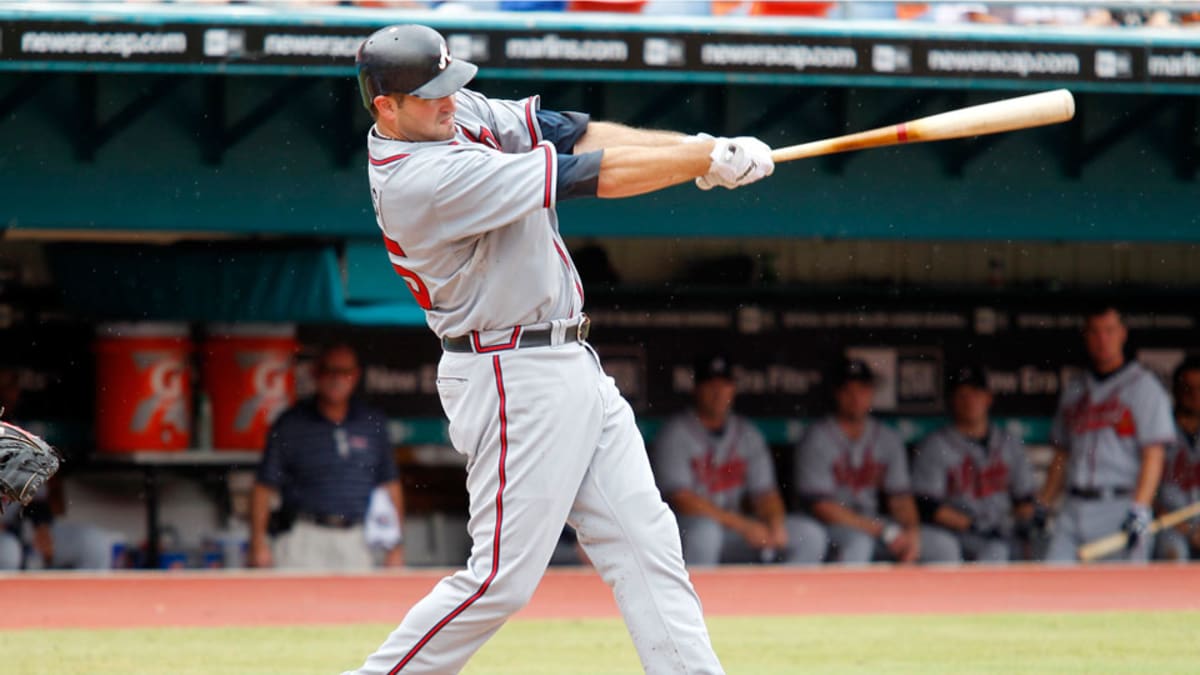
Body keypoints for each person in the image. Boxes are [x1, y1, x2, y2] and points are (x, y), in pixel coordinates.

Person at [346, 23, 773, 675]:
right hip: (508, 369)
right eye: (432, 93)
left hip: (569, 358)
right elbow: (580, 174)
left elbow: (570, 131)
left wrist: (694, 150)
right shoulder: (419, 180)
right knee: (500, 580)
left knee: (645, 542)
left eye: (450, 85)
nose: (450, 101)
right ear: (386, 106)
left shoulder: (449, 115)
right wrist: (698, 161)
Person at [652, 353, 826, 565]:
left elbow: (765, 493)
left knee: (809, 535)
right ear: (696, 388)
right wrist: (744, 525)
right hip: (690, 531)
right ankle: (698, 597)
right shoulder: (675, 433)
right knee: (706, 533)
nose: (718, 392)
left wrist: (775, 523)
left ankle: (788, 597)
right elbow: (683, 500)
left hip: (735, 533)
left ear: (733, 388)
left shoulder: (746, 433)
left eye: (724, 384)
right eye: (710, 385)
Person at [249, 344, 405, 571]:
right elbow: (264, 487)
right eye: (329, 371)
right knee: (296, 606)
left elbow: (390, 486)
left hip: (357, 537)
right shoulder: (291, 423)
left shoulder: (372, 423)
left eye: (345, 372)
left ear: (356, 376)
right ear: (315, 374)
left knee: (357, 606)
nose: (337, 379)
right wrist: (258, 543)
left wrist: (396, 545)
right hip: (303, 535)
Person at [1039, 306, 1173, 563]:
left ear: (1122, 334)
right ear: (1085, 336)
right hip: (1073, 506)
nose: (1102, 339)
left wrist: (1140, 508)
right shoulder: (1075, 389)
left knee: (1122, 597)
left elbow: (1153, 454)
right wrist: (1043, 502)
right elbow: (1061, 454)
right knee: (1051, 588)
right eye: (1095, 332)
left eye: (1109, 331)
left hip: (1119, 505)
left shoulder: (1144, 387)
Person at [792, 358, 924, 563]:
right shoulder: (817, 438)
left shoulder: (887, 438)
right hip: (831, 526)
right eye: (848, 391)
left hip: (875, 523)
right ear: (837, 394)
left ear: (871, 392)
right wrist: (882, 530)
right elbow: (822, 507)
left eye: (862, 389)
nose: (856, 398)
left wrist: (912, 532)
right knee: (859, 543)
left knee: (939, 545)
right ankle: (847, 596)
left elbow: (900, 498)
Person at [912, 365, 1037, 563]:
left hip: (1002, 530)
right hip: (957, 533)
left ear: (988, 398)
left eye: (976, 393)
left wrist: (1022, 522)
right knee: (995, 551)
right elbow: (928, 507)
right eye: (962, 395)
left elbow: (1025, 499)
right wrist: (974, 525)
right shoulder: (936, 445)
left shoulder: (1009, 444)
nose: (970, 401)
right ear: (952, 401)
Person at [0, 366, 117, 570]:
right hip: (7, 540)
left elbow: (42, 497)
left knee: (93, 544)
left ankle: (84, 603)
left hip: (21, 530)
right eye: (7, 384)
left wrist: (40, 525)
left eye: (14, 384)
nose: (12, 392)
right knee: (9, 552)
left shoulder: (22, 432)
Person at [1155, 356, 1200, 562]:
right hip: (1169, 524)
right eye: (1187, 388)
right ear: (1175, 390)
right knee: (1174, 553)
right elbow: (1148, 495)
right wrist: (1187, 530)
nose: (1194, 395)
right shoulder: (1158, 432)